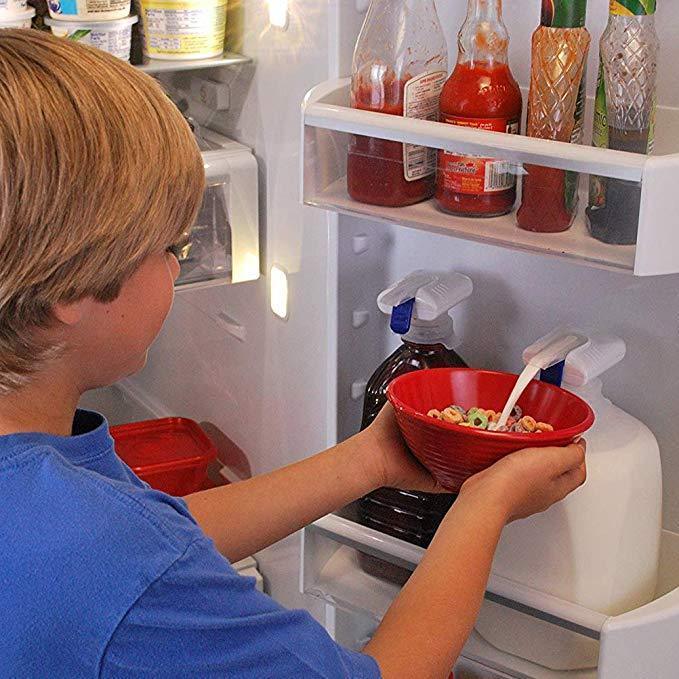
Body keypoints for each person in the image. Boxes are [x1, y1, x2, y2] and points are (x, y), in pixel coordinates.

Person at [0, 30, 586, 679]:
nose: (176, 267)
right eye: (173, 248)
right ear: (74, 286)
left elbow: (152, 545)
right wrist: (485, 503)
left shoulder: (62, 510)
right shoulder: (105, 551)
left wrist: (366, 460)